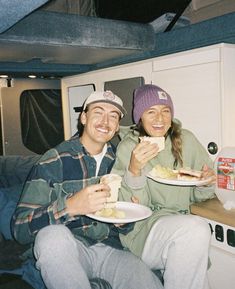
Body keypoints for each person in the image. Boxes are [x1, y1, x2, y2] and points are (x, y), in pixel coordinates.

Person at [11, 90, 163, 289]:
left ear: (117, 127)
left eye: (113, 116)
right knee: (51, 238)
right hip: (70, 248)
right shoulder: (54, 159)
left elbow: (125, 225)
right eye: (98, 112)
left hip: (111, 249)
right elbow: (20, 228)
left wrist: (124, 220)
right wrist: (69, 207)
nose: (105, 121)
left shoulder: (122, 159)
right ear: (83, 117)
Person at [111, 84, 216, 289]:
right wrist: (134, 170)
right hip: (143, 231)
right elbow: (129, 210)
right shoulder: (129, 148)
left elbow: (200, 194)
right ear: (139, 116)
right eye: (151, 112)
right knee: (196, 228)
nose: (160, 118)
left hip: (181, 223)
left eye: (165, 111)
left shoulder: (187, 140)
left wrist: (205, 183)